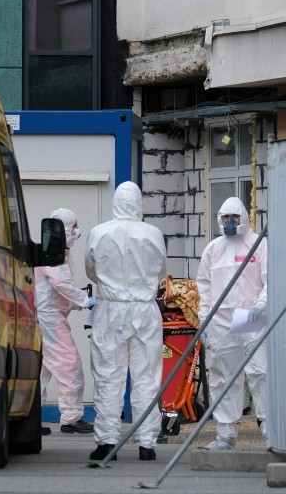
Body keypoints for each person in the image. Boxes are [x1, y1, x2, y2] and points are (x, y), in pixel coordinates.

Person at [84, 181, 167, 462]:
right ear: (140, 204)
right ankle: (147, 443)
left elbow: (90, 269)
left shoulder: (98, 233)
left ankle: (107, 442)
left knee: (109, 374)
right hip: (145, 309)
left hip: (111, 308)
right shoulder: (153, 234)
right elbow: (161, 270)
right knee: (147, 376)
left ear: (115, 202)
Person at [196, 197, 268, 451]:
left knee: (260, 373)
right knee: (223, 378)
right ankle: (225, 434)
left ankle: (270, 430)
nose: (229, 222)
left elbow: (270, 278)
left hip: (250, 319)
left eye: (234, 217)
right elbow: (203, 286)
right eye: (225, 217)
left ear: (243, 218)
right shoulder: (213, 249)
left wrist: (261, 306)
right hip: (221, 322)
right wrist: (204, 318)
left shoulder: (258, 244)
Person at [35, 208, 95, 435]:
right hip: (49, 318)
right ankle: (71, 418)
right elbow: (61, 284)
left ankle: (29, 420)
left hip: (46, 316)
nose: (77, 230)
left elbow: (57, 290)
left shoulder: (56, 252)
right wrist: (85, 301)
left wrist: (79, 302)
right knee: (70, 365)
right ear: (64, 229)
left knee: (40, 371)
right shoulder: (53, 253)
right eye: (74, 226)